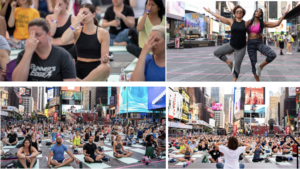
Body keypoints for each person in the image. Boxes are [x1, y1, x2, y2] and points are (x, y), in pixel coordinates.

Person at [61, 3, 111, 80]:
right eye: (80, 14)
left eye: (85, 13)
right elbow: (64, 40)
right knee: (60, 68)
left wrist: (105, 59)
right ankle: (84, 84)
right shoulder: (77, 31)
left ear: (93, 14)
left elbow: (104, 59)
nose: (82, 16)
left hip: (95, 70)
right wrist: (76, 22)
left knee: (106, 67)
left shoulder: (103, 33)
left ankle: (81, 84)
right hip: (79, 69)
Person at [203, 5, 249, 82]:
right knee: (216, 52)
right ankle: (229, 63)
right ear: (235, 13)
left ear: (242, 14)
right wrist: (210, 12)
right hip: (231, 45)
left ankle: (233, 82)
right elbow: (220, 17)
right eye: (237, 11)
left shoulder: (246, 23)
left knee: (237, 66)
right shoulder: (231, 21)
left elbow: (253, 30)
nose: (238, 12)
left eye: (240, 11)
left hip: (241, 48)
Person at [247, 7, 290, 82]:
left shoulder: (262, 23)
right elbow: (239, 27)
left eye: (260, 12)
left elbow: (277, 24)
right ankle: (258, 83)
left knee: (272, 54)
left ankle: (260, 67)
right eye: (256, 11)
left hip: (259, 42)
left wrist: (285, 13)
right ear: (254, 13)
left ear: (261, 15)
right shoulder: (248, 22)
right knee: (254, 67)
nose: (258, 12)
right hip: (250, 44)